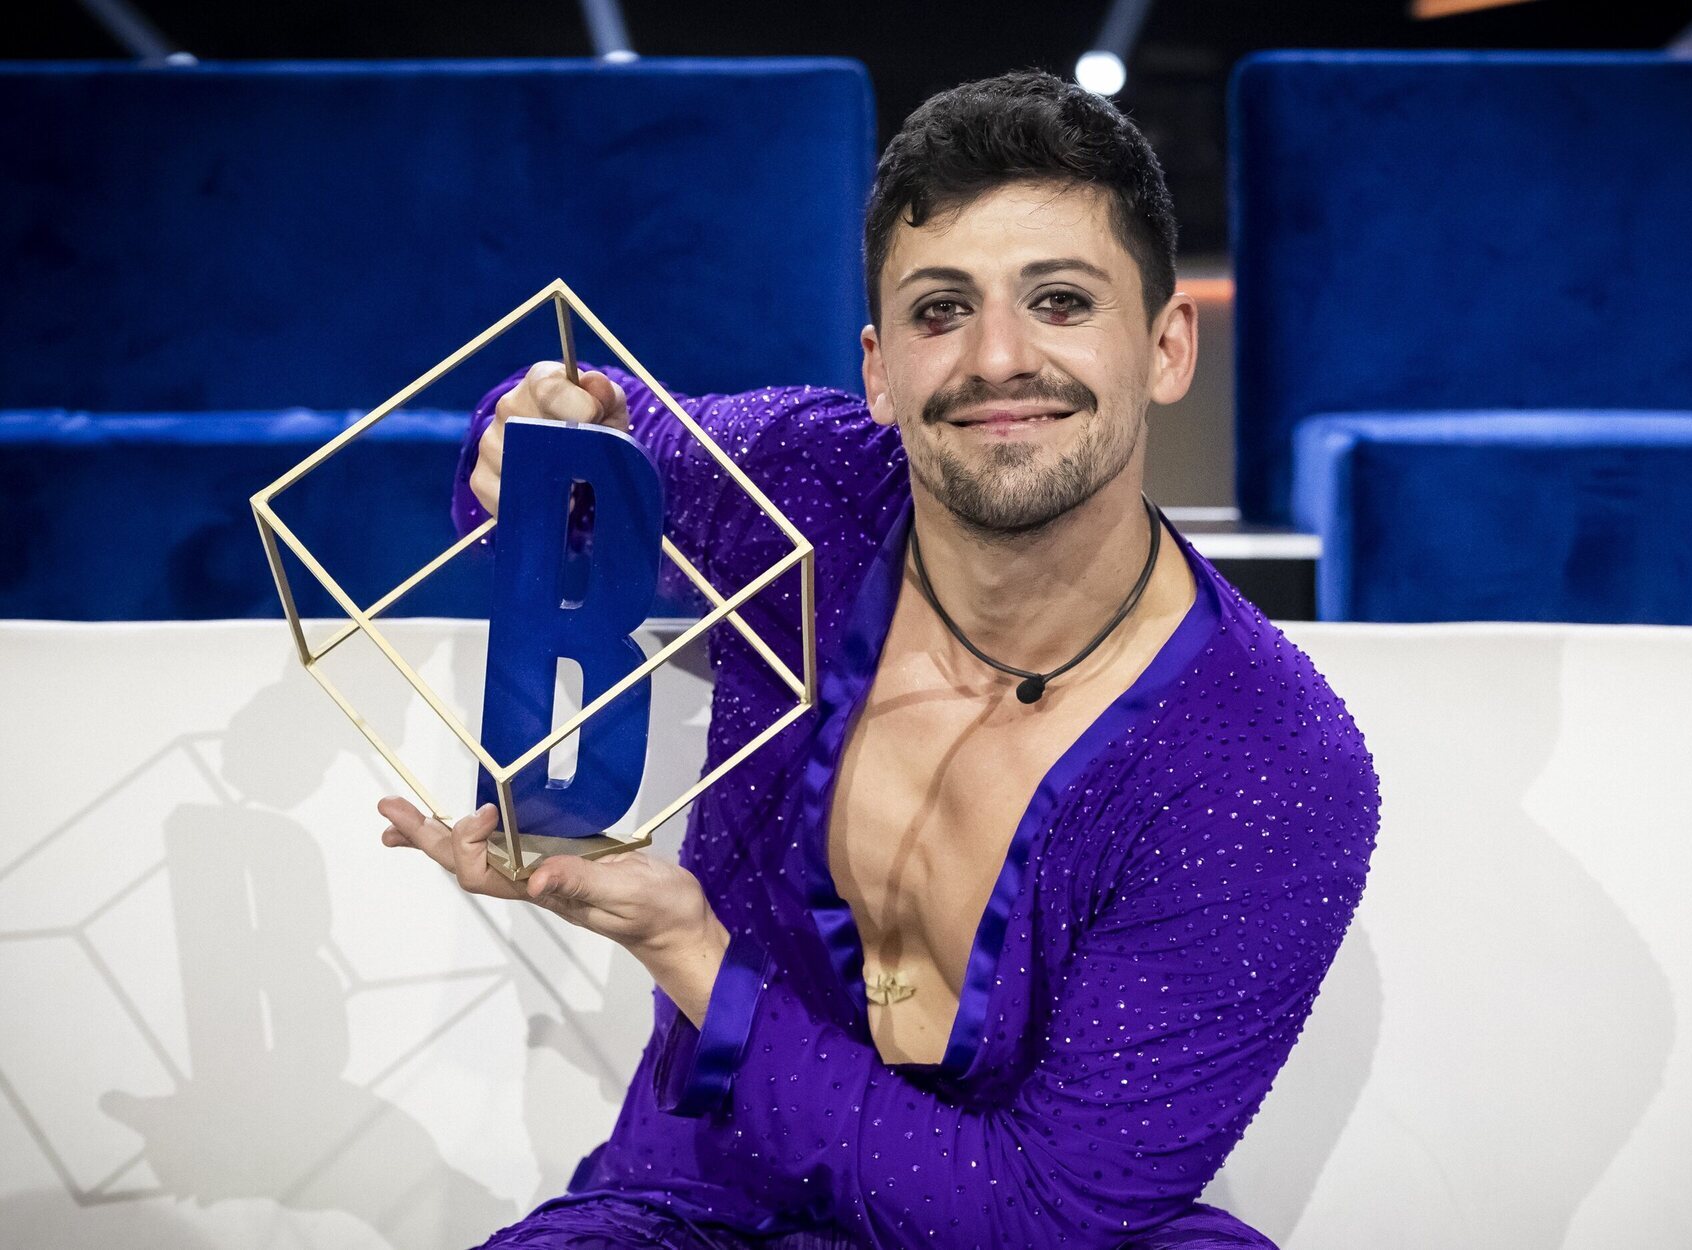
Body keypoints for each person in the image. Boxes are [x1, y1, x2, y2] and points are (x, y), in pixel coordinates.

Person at [377, 70, 1380, 1249]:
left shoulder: (1268, 762)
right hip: (695, 1202)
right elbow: (550, 448)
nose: (996, 357)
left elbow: (1038, 1210)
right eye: (940, 310)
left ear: (1165, 345)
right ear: (878, 370)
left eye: (1059, 300)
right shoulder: (804, 481)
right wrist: (528, 428)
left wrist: (689, 953)